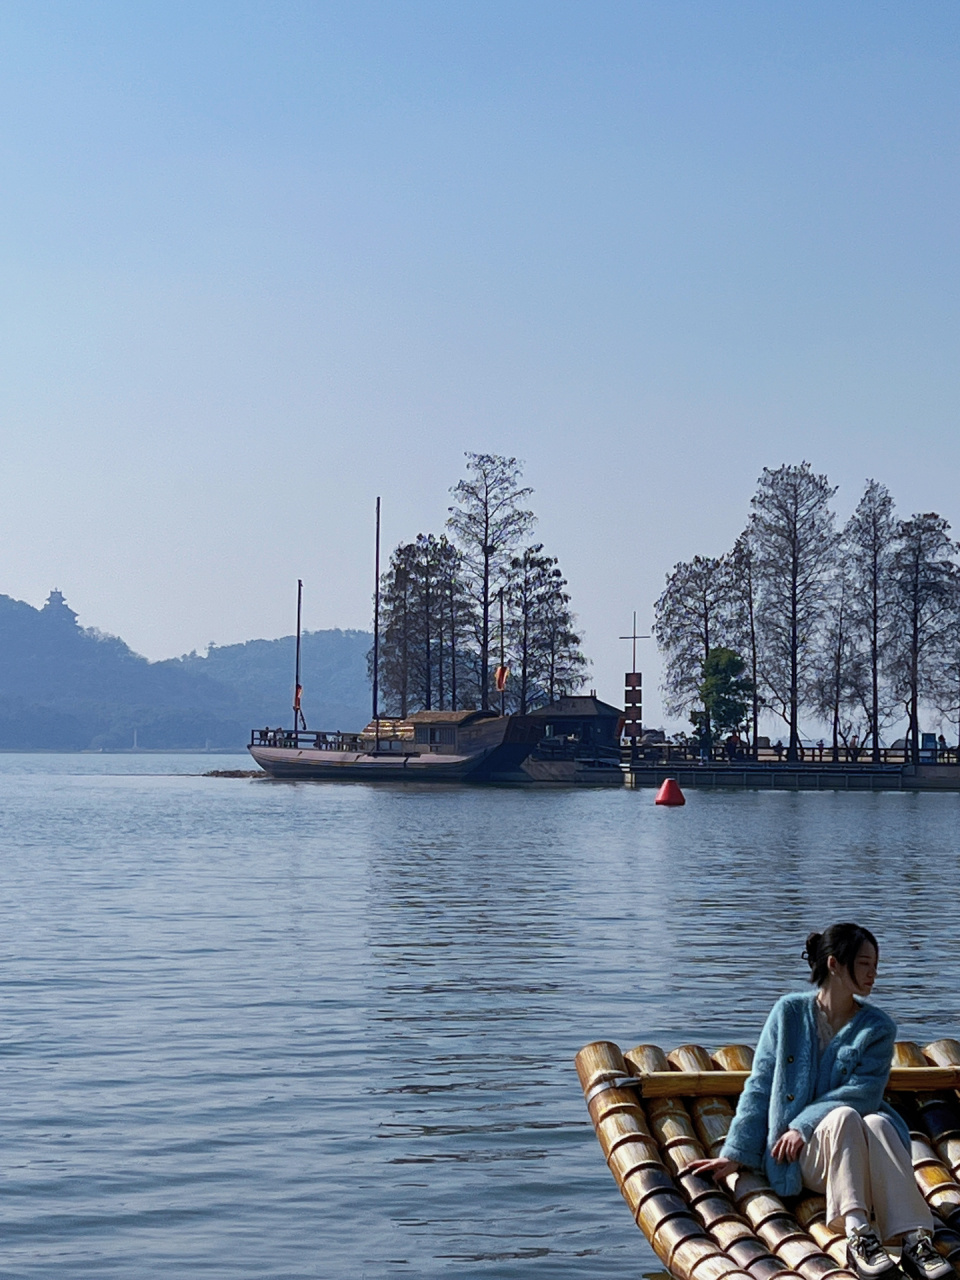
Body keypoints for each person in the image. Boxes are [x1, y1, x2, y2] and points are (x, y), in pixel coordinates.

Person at [688, 923, 950, 1280]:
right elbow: (761, 1084)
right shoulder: (788, 1013)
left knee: (877, 1120)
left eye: (876, 964)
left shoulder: (878, 1028)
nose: (874, 973)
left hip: (862, 1154)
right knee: (844, 1116)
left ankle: (915, 1240)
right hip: (803, 1157)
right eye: (864, 963)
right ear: (834, 964)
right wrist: (735, 1154)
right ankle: (859, 1237)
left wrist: (804, 1123)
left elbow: (864, 1093)